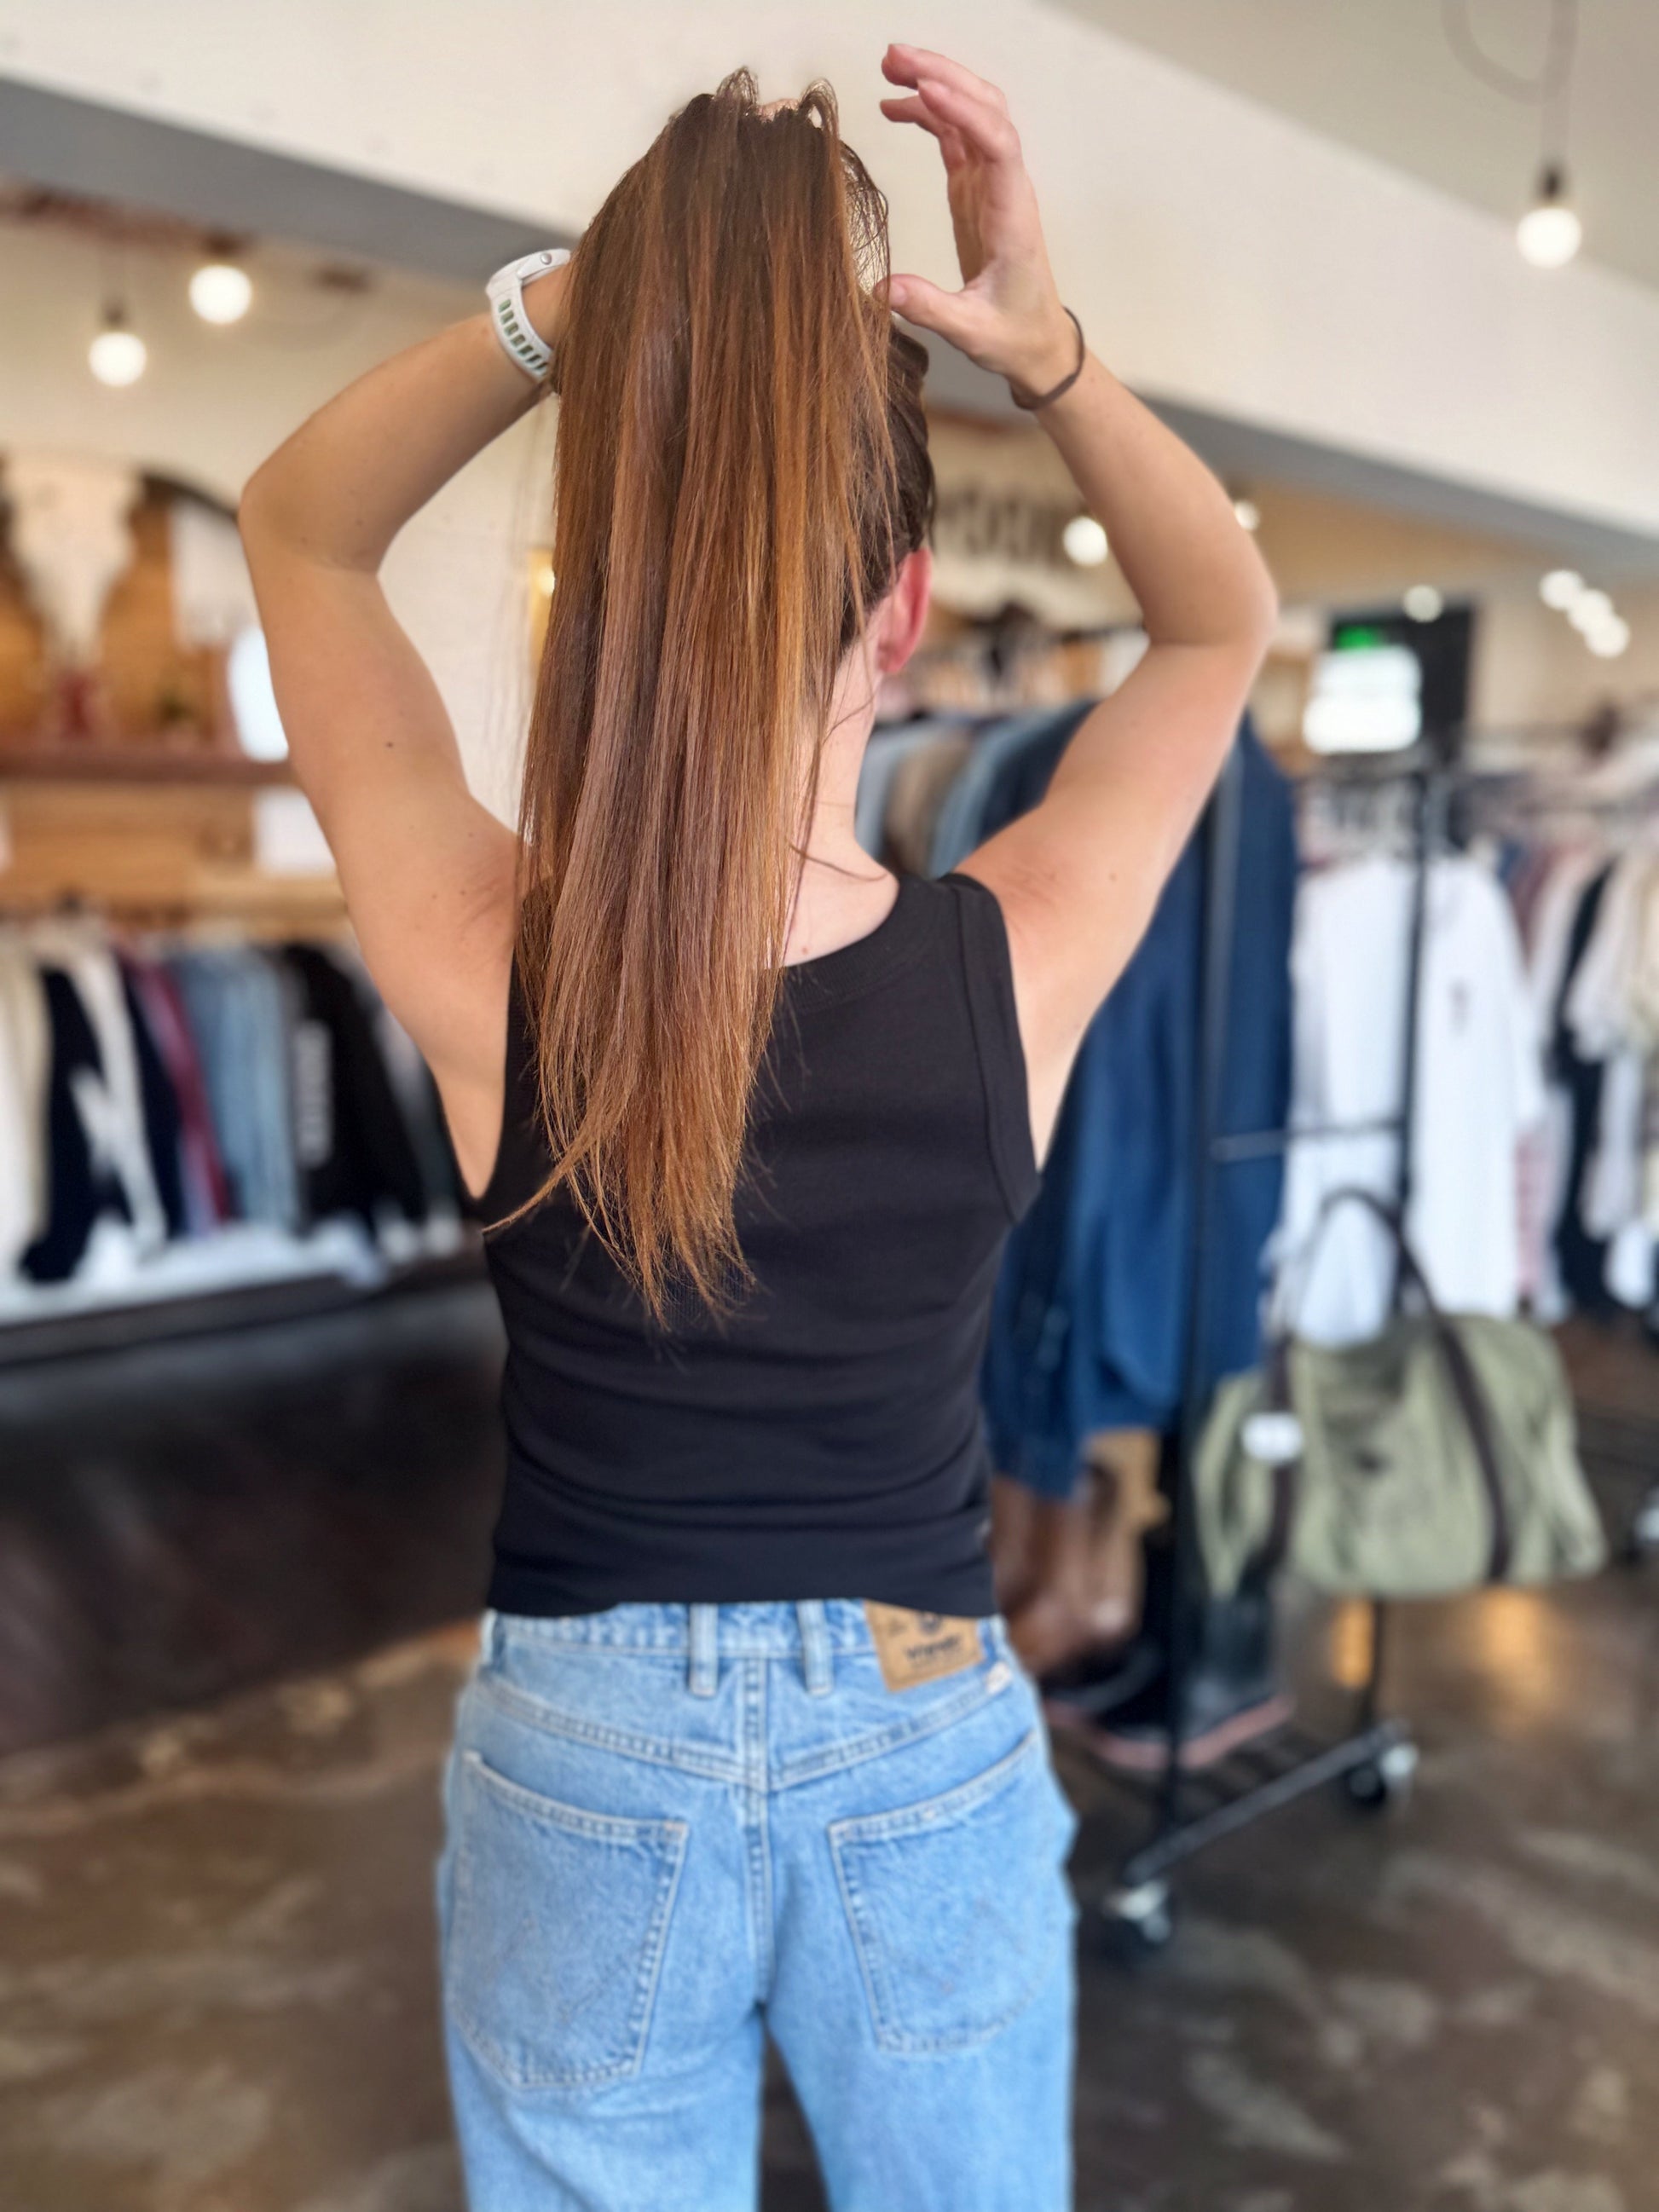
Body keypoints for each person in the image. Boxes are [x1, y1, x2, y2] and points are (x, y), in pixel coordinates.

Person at [239, 43, 1275, 2212]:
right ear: (902, 618)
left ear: (598, 601)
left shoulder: (481, 947)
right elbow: (1215, 619)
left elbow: (302, 530)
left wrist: (568, 324)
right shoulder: (1021, 955)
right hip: (923, 1727)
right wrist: (1038, 342)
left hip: (578, 1747)